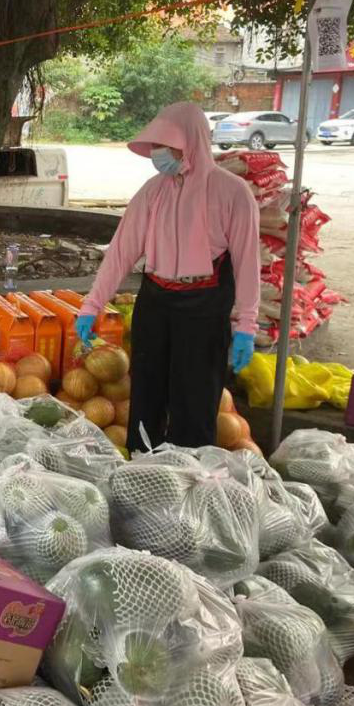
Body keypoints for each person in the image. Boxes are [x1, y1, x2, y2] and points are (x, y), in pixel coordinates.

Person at [76, 101, 260, 451]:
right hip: (155, 300)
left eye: (168, 145)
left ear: (192, 142)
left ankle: (188, 476)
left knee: (195, 399)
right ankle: (143, 467)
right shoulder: (152, 191)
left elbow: (248, 264)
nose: (160, 153)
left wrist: (247, 326)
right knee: (146, 390)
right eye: (157, 145)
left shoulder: (232, 193)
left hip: (205, 305)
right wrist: (92, 304)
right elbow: (121, 252)